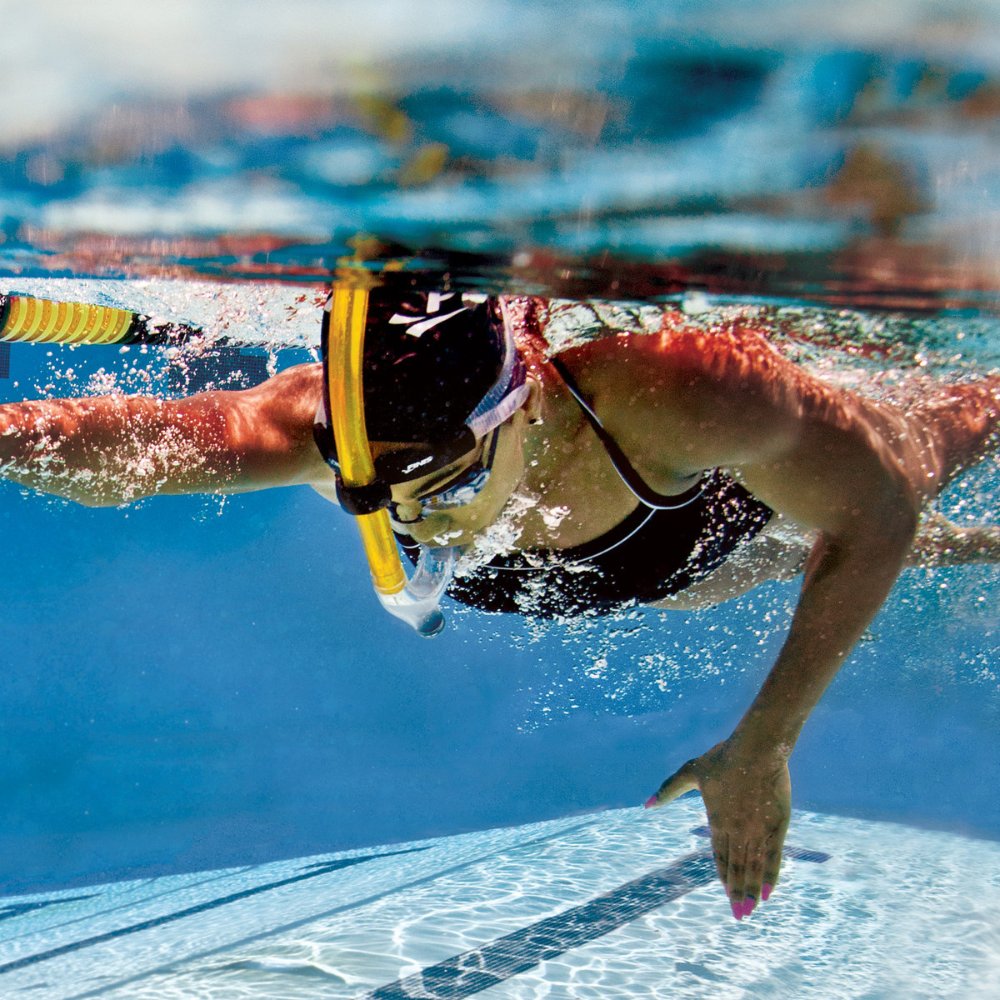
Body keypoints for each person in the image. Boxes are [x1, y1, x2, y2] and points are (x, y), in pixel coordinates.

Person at [1, 288, 998, 922]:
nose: (406, 514)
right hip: (655, 570)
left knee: (921, 452)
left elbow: (878, 515)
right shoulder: (310, 424)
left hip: (702, 522)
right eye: (368, 485)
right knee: (708, 593)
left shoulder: (677, 389)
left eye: (435, 481)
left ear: (518, 400)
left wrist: (763, 744)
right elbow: (102, 454)